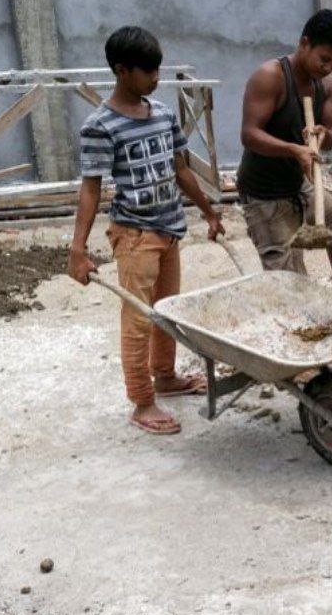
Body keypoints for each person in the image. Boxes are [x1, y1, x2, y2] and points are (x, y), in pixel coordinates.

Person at [67, 26, 225, 435]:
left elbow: (181, 170)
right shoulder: (100, 126)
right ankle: (142, 402)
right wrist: (77, 248)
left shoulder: (163, 114)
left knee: (167, 310)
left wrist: (209, 213)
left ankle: (165, 377)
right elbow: (91, 188)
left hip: (170, 228)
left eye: (158, 70)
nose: (156, 78)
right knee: (139, 320)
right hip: (135, 236)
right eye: (148, 71)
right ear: (122, 71)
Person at [237, 9, 332, 284]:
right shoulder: (271, 77)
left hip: (297, 183)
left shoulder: (326, 85)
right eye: (324, 59)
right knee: (290, 282)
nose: (328, 68)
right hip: (265, 193)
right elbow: (249, 134)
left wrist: (323, 135)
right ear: (304, 43)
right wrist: (293, 149)